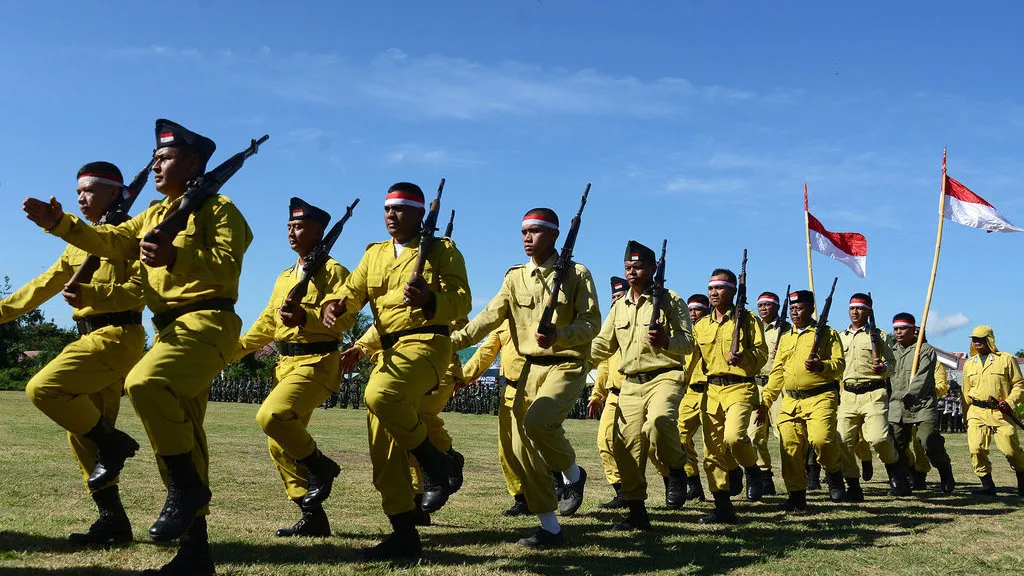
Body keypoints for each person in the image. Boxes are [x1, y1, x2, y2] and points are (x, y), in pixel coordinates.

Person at [24, 119, 253, 575]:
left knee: (145, 383)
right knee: (185, 433)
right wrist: (61, 225)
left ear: (192, 163)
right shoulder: (151, 214)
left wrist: (176, 256)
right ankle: (195, 552)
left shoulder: (219, 209)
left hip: (209, 320)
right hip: (170, 329)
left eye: (164, 158)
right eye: (154, 158)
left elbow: (228, 264)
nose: (157, 165)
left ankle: (186, 488)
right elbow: (110, 241)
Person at [322, 182, 471, 560]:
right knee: (384, 451)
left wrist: (431, 299)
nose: (392, 215)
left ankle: (436, 463)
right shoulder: (373, 255)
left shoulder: (440, 250)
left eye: (402, 209)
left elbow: (463, 300)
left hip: (427, 345)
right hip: (388, 353)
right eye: (388, 208)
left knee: (379, 394)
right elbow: (351, 294)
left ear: (421, 214)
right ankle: (405, 533)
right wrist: (334, 307)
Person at [4, 162, 145, 546]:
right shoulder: (76, 243)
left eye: (89, 190)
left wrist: (93, 295)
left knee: (44, 388)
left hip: (119, 337)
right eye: (77, 191)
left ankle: (114, 442)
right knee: (84, 434)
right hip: (89, 339)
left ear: (114, 193)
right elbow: (40, 287)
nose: (80, 197)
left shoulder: (134, 236)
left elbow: (142, 290)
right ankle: (113, 521)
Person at [448, 207, 601, 548]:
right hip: (529, 369)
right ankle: (550, 528)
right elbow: (487, 319)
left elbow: (592, 323)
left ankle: (573, 475)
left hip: (566, 363)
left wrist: (559, 335)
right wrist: (451, 342)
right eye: (523, 232)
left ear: (555, 235)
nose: (527, 238)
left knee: (537, 423)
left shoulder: (577, 274)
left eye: (535, 231)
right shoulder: (515, 277)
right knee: (520, 449)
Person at [231, 198, 351, 538]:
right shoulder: (285, 276)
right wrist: (229, 352)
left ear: (319, 231)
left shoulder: (334, 272)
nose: (291, 232)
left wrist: (307, 317)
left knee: (272, 416)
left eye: (298, 226)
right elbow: (267, 324)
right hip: (285, 365)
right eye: (288, 226)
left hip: (317, 363)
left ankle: (321, 467)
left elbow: (348, 318)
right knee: (279, 443)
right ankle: (311, 515)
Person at [589, 241, 694, 530]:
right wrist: (576, 362)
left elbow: (688, 344)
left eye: (638, 267)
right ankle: (637, 513)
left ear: (652, 268)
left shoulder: (671, 301)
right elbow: (603, 344)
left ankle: (676, 467)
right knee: (626, 448)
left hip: (665, 376)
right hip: (630, 383)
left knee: (659, 422)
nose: (632, 272)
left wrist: (666, 342)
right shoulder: (620, 306)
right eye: (628, 267)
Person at [758, 290, 846, 512]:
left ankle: (833, 472)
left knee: (822, 441)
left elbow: (839, 365)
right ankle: (796, 495)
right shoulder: (785, 336)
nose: (795, 311)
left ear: (811, 308)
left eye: (800, 307)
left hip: (820, 397)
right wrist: (766, 401)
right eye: (792, 308)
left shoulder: (827, 333)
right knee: (790, 448)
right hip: (791, 401)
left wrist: (821, 366)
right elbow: (777, 372)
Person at [691, 269, 768, 523]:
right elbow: (690, 361)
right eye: (711, 288)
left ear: (733, 291)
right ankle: (723, 507)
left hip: (740, 386)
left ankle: (752, 468)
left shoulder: (747, 320)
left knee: (734, 437)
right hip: (711, 390)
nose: (714, 293)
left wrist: (744, 357)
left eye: (720, 288)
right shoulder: (701, 326)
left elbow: (762, 355)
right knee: (712, 451)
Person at [836, 293, 907, 500]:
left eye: (859, 308)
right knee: (843, 442)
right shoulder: (841, 337)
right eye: (852, 308)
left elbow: (892, 365)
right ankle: (853, 484)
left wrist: (882, 368)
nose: (855, 312)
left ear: (868, 311)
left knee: (879, 438)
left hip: (874, 393)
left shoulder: (880, 335)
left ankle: (894, 468)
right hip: (848, 394)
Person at [462, 320, 528, 516]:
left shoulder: (539, 314)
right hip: (510, 390)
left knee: (530, 447)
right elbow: (485, 353)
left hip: (536, 389)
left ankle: (562, 479)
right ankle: (521, 498)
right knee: (507, 449)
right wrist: (462, 378)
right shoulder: (503, 323)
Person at [889, 314, 955, 495]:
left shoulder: (925, 350)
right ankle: (903, 482)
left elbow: (924, 376)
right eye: (896, 329)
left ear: (913, 330)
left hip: (922, 404)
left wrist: (912, 393)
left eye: (903, 328)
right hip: (897, 406)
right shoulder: (891, 351)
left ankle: (944, 469)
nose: (898, 332)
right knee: (896, 445)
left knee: (929, 441)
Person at [961, 325, 1024, 496]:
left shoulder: (1006, 359)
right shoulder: (968, 364)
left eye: (981, 339)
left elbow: (1019, 384)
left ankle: (1022, 481)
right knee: (976, 449)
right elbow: (965, 392)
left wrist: (1009, 402)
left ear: (989, 339)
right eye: (974, 339)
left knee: (1011, 450)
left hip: (1000, 411)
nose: (977, 342)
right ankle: (987, 485)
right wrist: (965, 415)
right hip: (976, 411)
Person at [588, 277, 629, 510]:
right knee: (604, 442)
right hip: (613, 395)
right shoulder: (608, 331)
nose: (616, 301)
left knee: (649, 446)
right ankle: (621, 490)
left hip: (638, 392)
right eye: (613, 298)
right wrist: (597, 395)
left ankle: (671, 481)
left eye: (620, 297)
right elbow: (604, 366)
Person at [752, 291, 790, 495]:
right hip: (756, 385)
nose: (763, 308)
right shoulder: (754, 328)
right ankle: (765, 477)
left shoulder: (786, 330)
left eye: (768, 305)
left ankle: (796, 478)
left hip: (779, 386)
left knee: (784, 434)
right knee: (754, 435)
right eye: (761, 305)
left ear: (776, 307)